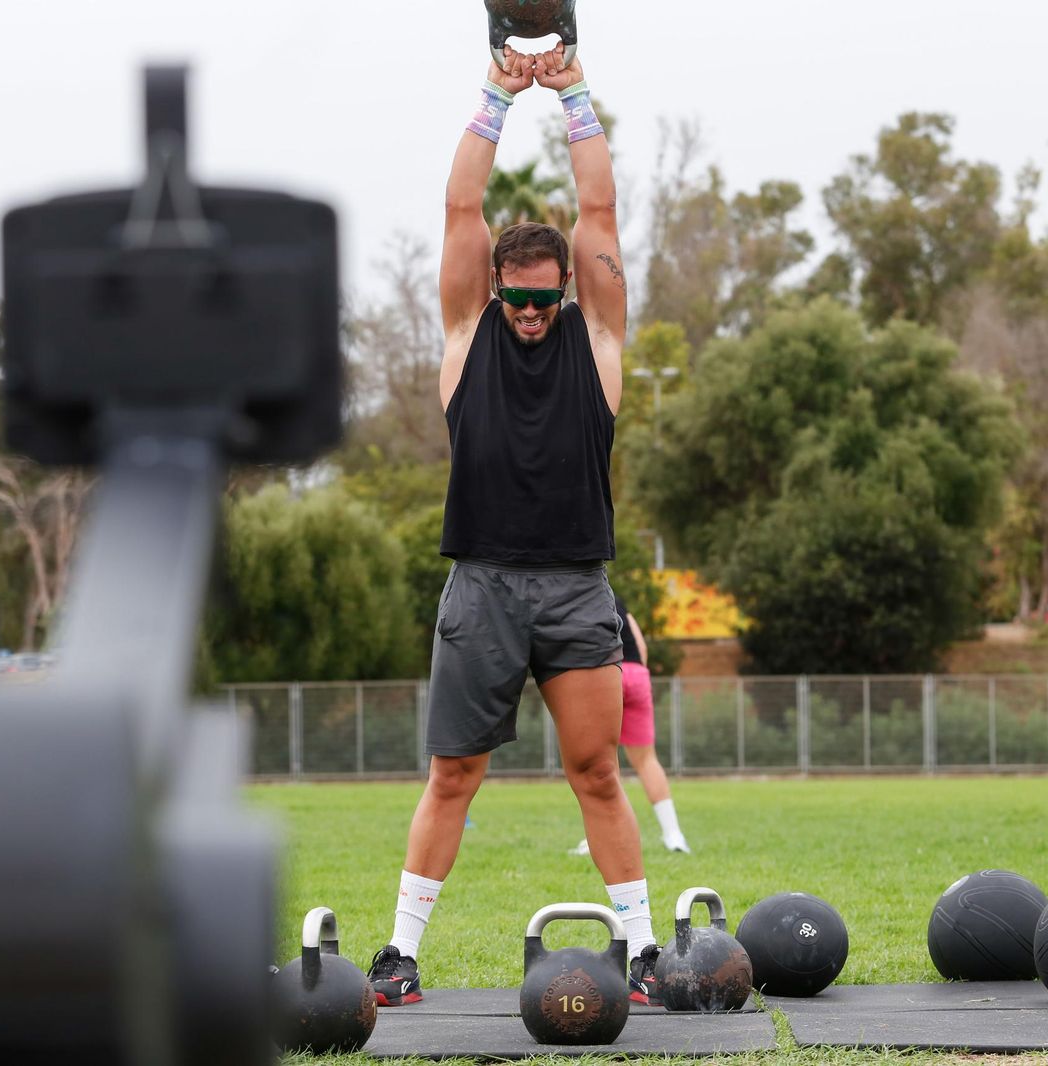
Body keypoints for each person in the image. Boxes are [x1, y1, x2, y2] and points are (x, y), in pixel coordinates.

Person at [365, 44, 663, 1007]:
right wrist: (496, 95)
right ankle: (401, 953)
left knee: (597, 772)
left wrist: (574, 93)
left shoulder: (600, 341)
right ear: (496, 290)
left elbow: (601, 214)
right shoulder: (466, 337)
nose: (533, 314)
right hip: (482, 584)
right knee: (454, 774)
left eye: (547, 298)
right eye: (519, 299)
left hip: (577, 585)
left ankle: (646, 951)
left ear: (564, 292)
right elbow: (460, 209)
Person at [571, 592, 691, 856]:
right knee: (647, 759)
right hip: (637, 675)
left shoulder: (578, 595)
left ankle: (598, 840)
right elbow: (641, 646)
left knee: (601, 761)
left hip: (607, 673)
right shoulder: (617, 599)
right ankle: (674, 835)